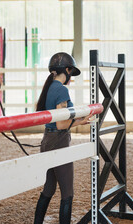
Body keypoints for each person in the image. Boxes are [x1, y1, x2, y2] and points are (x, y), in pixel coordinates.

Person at [33, 52, 92, 224]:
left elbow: (59, 122)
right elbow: (61, 125)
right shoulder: (61, 90)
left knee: (49, 189)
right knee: (67, 193)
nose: (70, 78)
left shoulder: (50, 88)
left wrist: (79, 120)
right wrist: (79, 122)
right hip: (59, 142)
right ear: (66, 70)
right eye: (71, 73)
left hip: (47, 141)